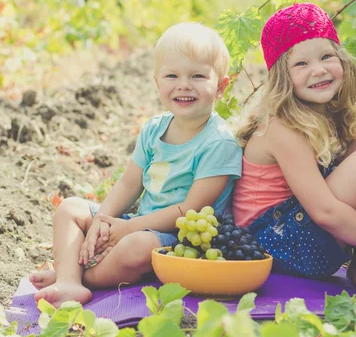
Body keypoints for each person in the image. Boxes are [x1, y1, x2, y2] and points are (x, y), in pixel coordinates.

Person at [31, 22, 243, 307]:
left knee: (136, 247)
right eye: (172, 75)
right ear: (158, 83)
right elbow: (129, 183)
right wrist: (103, 221)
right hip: (138, 223)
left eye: (197, 76)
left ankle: (81, 275)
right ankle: (69, 280)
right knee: (70, 208)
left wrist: (128, 229)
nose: (184, 84)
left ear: (220, 86)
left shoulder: (219, 143)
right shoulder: (155, 129)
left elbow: (189, 209)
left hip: (179, 238)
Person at [233, 3, 356, 301]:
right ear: (282, 78)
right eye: (301, 64)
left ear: (342, 61)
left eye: (326, 56)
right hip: (274, 245)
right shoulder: (282, 128)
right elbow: (325, 212)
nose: (319, 70)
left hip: (296, 230)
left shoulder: (321, 113)